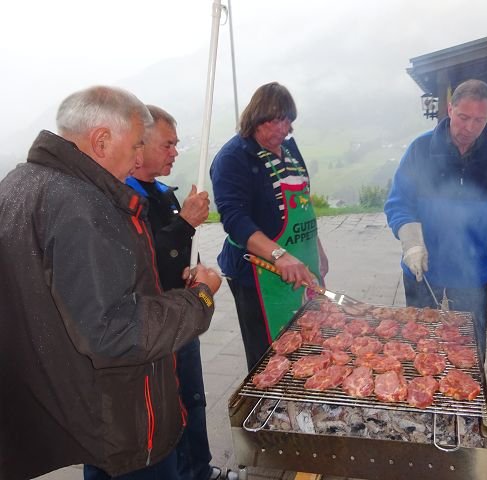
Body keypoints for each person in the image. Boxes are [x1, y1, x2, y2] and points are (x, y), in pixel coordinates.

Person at [0, 86, 221, 480]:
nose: (139, 158)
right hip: (120, 411)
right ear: (101, 140)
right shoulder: (84, 206)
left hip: (76, 402)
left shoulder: (18, 182)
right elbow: (115, 331)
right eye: (136, 145)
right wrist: (199, 299)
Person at [385, 79, 487, 361]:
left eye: (479, 120)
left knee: (471, 352)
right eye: (463, 117)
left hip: (471, 270)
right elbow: (399, 202)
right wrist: (412, 245)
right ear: (450, 109)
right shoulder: (421, 149)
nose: (470, 127)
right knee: (420, 348)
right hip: (423, 267)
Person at [121, 105, 224, 480]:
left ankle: (200, 469)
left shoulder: (164, 194)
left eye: (176, 144)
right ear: (140, 144)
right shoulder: (123, 198)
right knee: (168, 408)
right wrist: (184, 223)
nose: (175, 153)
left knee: (193, 398)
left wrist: (194, 271)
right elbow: (141, 261)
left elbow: (176, 255)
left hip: (182, 313)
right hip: (154, 325)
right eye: (167, 145)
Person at [211, 82, 328, 371]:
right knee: (270, 358)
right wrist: (279, 255)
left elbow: (304, 204)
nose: (282, 129)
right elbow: (234, 219)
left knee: (311, 341)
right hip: (258, 273)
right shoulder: (233, 158)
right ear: (255, 117)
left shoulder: (289, 150)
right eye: (273, 121)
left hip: (302, 264)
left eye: (287, 120)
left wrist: (317, 250)